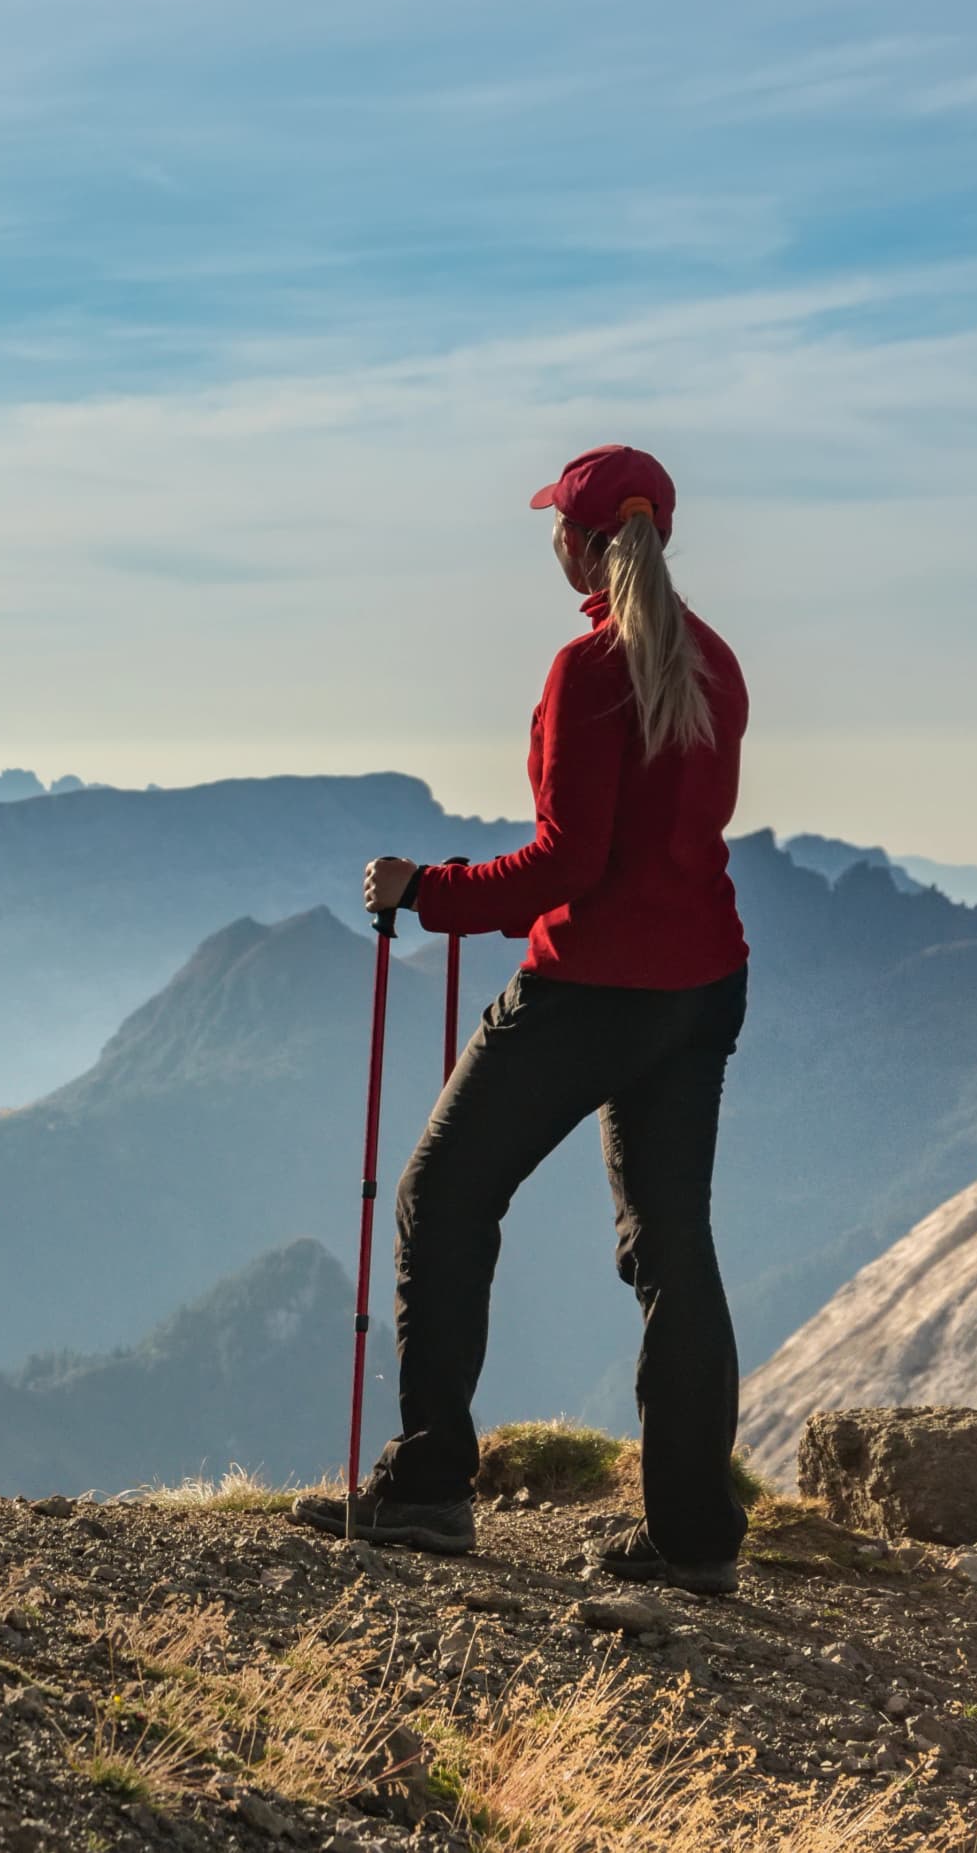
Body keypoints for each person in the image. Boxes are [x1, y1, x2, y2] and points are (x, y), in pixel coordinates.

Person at [289, 443, 753, 1595]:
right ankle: (694, 1538)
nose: (550, 536)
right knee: (671, 1250)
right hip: (702, 987)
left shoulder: (587, 670)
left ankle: (432, 1487)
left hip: (591, 989)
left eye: (556, 523)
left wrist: (426, 890)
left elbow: (567, 865)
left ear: (584, 544)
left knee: (440, 1194)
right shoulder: (718, 666)